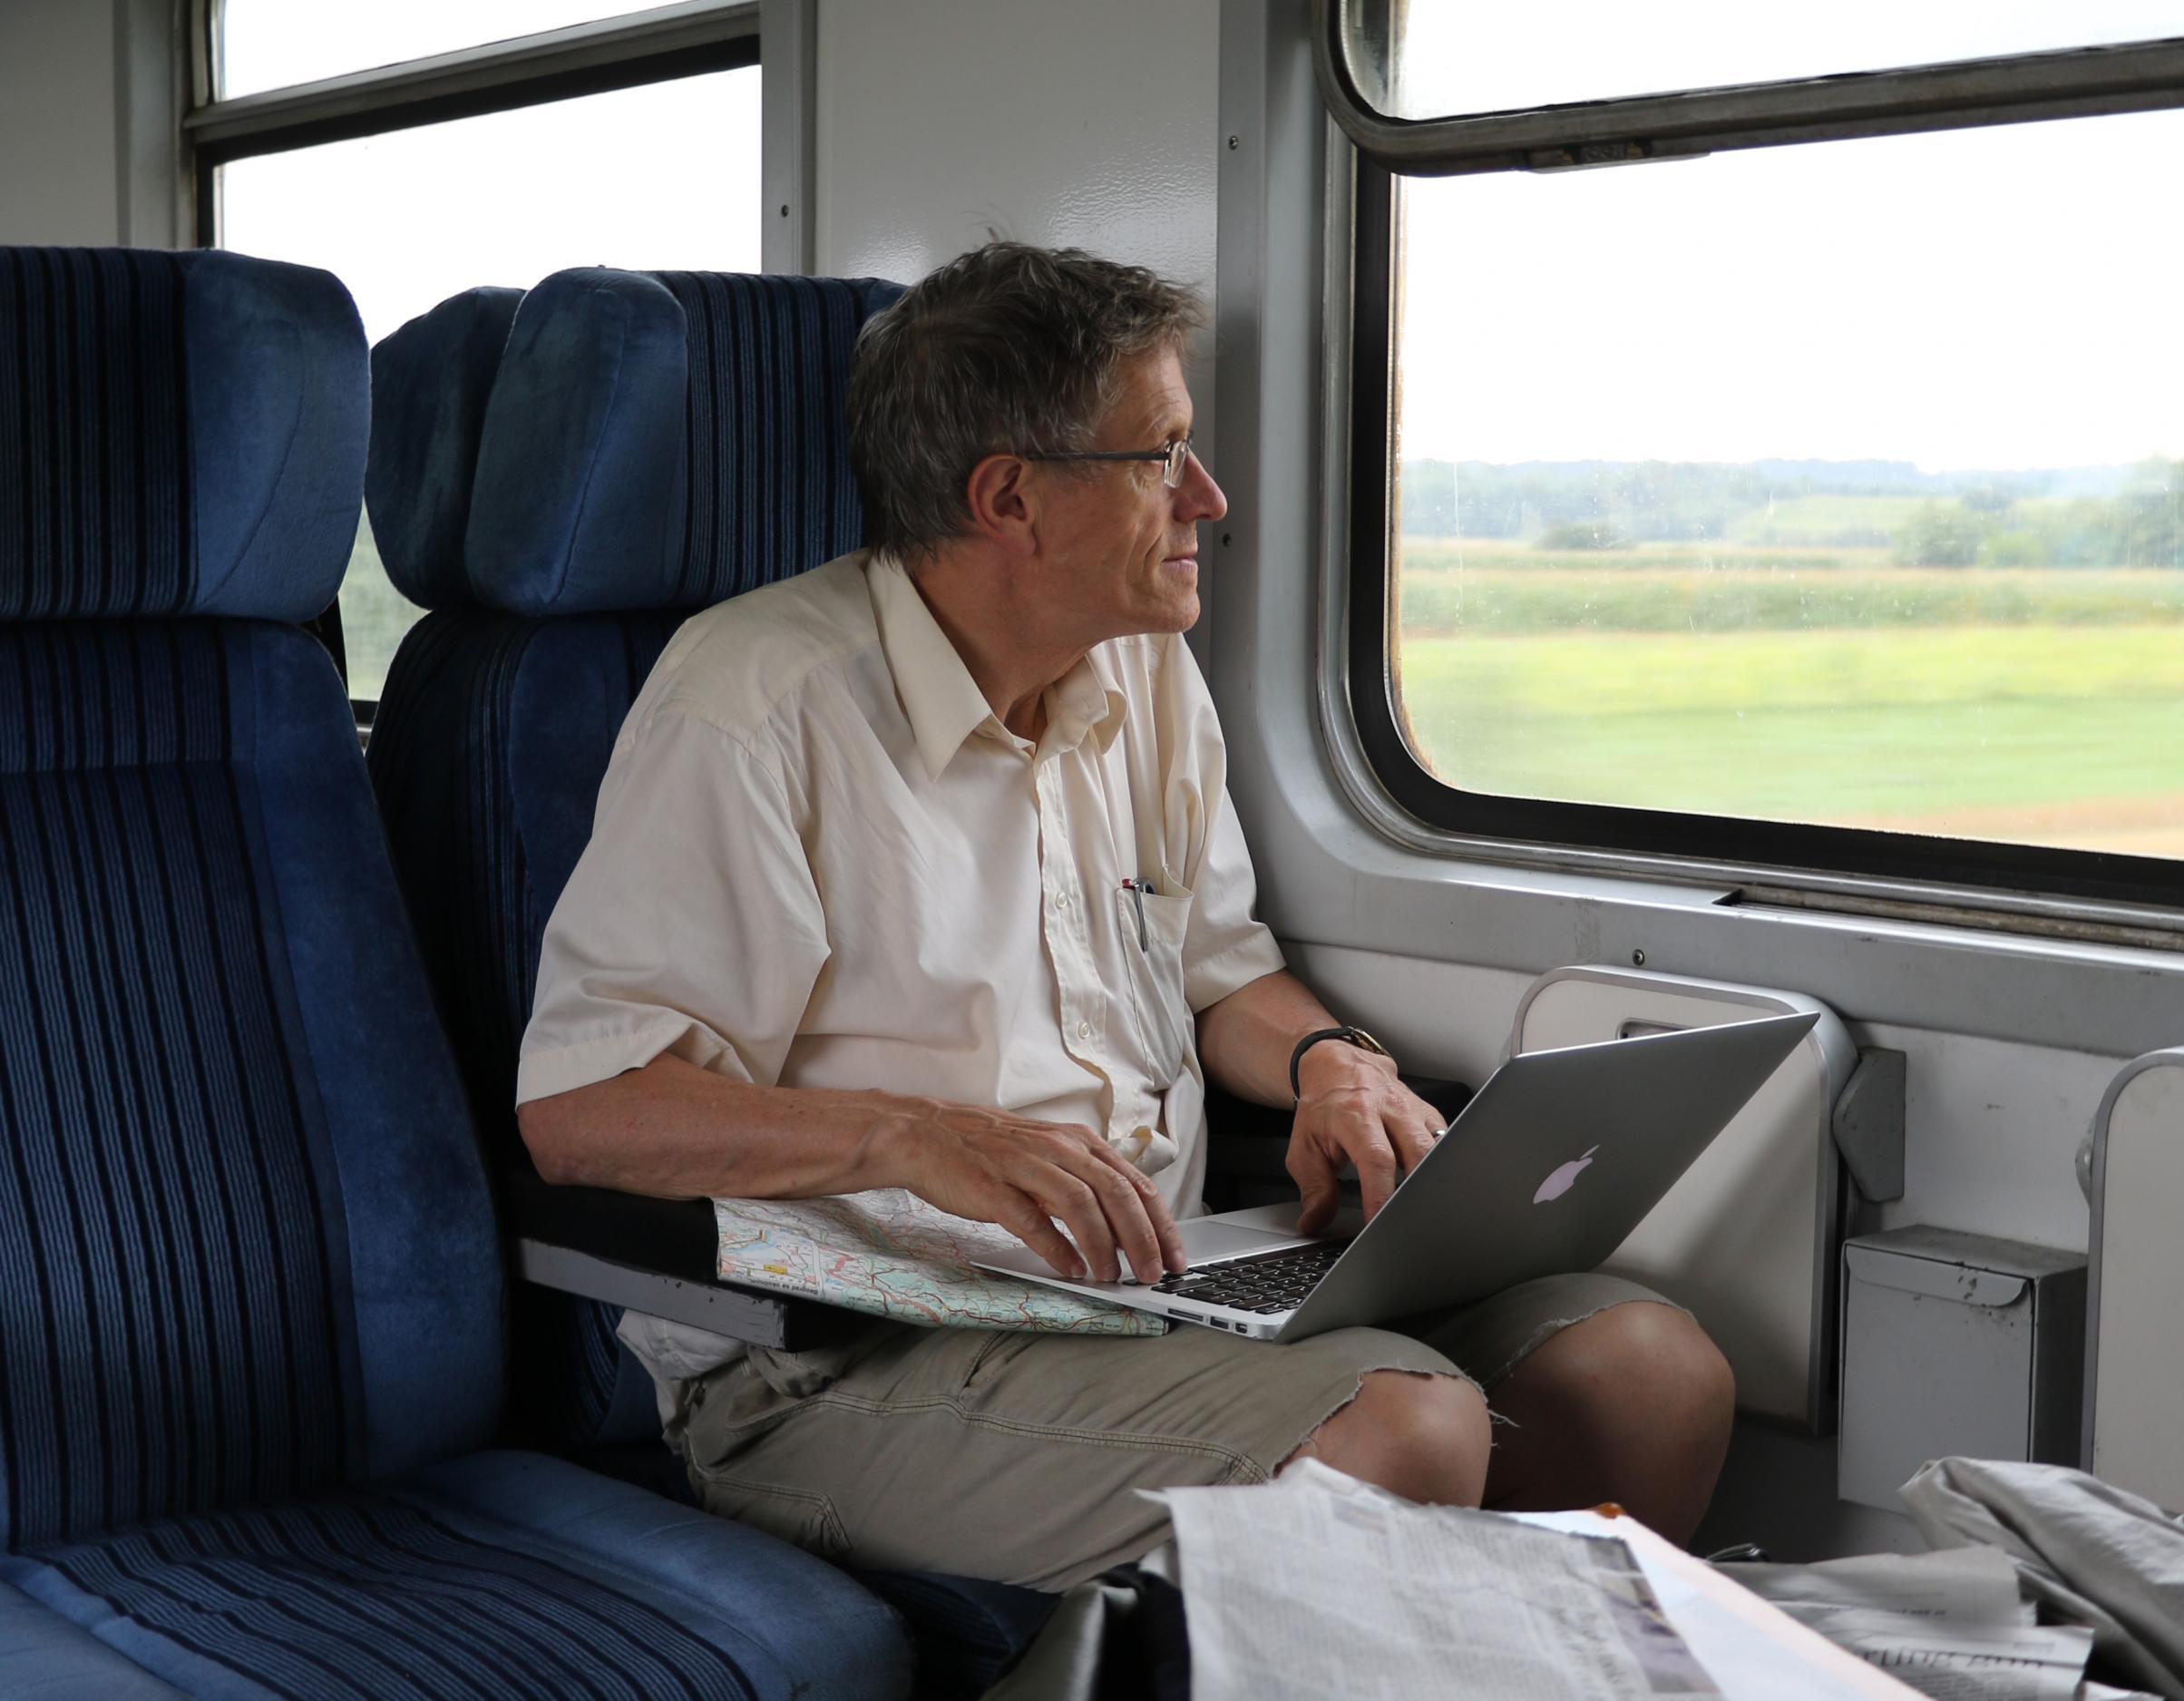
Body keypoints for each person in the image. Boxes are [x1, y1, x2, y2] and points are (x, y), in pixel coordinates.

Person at [516, 241, 1734, 1591]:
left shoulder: (1141, 669)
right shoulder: (752, 706)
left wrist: (1335, 1064)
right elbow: (584, 1115)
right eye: (1161, 456)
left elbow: (1222, 976)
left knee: (1641, 1371)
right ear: (1010, 498)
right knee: (1403, 1428)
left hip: (1158, 1288)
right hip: (843, 1355)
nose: (1207, 497)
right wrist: (915, 1137)